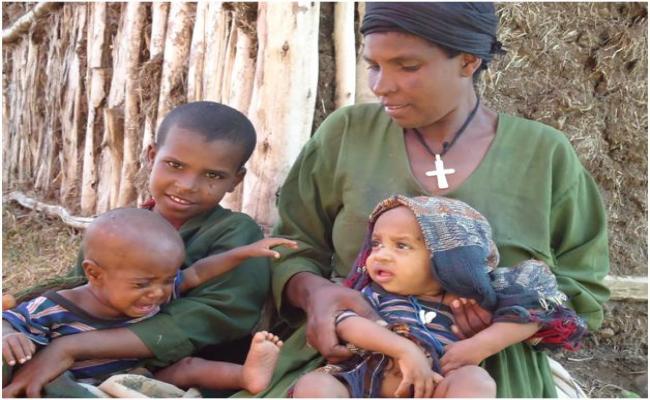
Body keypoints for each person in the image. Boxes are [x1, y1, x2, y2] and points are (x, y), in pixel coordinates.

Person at [253, 3, 609, 397]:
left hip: (480, 368)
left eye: (407, 66)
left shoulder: (543, 154)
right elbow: (294, 246)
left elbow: (582, 283)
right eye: (374, 65)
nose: (381, 85)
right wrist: (316, 294)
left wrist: (499, 322)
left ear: (468, 61)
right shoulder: (347, 133)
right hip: (350, 358)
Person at [3, 101, 280, 397]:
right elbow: (81, 289)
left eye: (212, 175)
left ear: (235, 180)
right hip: (95, 359)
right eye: (175, 165)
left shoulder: (236, 232)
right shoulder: (119, 230)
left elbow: (212, 317)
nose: (187, 185)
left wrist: (70, 348)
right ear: (151, 156)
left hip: (181, 367)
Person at [292, 195, 587, 397]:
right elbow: (346, 323)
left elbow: (532, 313)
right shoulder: (371, 294)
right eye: (377, 244)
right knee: (316, 385)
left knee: (474, 381)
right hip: (361, 384)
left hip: (436, 386)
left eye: (401, 246)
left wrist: (479, 347)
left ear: (447, 258)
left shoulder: (472, 301)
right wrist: (402, 350)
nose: (381, 255)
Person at [3, 208, 296, 393]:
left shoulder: (154, 288)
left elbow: (197, 272)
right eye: (142, 284)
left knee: (189, 367)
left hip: (136, 375)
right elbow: (8, 321)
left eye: (167, 280)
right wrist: (8, 336)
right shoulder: (51, 307)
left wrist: (243, 253)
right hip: (77, 385)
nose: (158, 293)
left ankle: (247, 377)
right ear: (93, 273)